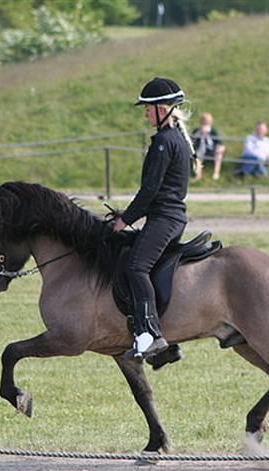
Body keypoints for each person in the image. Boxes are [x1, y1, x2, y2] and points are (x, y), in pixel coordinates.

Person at [112, 77, 194, 359]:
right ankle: (164, 348)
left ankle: (151, 335)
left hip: (164, 218)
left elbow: (150, 190)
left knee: (136, 267)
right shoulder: (178, 139)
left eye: (148, 108)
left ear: (164, 109)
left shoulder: (162, 141)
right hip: (172, 217)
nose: (145, 113)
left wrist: (125, 219)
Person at [191, 112, 226, 181]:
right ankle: (198, 176)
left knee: (219, 155)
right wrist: (200, 133)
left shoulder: (213, 131)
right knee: (197, 157)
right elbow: (192, 141)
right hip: (199, 150)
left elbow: (219, 142)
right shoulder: (196, 130)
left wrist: (220, 148)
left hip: (210, 150)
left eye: (208, 121)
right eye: (205, 121)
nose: (206, 123)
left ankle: (216, 173)